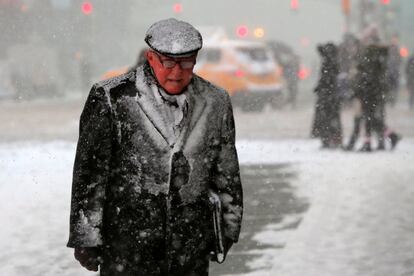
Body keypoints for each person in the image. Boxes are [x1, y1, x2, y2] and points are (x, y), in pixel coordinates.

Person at [67, 18, 243, 276]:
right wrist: (86, 236)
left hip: (189, 245)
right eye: (168, 62)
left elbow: (226, 171)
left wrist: (228, 228)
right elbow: (91, 173)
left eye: (186, 62)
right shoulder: (112, 98)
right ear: (151, 58)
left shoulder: (215, 101)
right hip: (127, 245)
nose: (177, 72)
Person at [311, 42, 342, 149]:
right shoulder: (332, 61)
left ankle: (329, 139)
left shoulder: (329, 62)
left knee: (326, 118)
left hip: (327, 96)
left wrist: (321, 88)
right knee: (330, 118)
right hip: (329, 95)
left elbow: (327, 79)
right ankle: (331, 138)